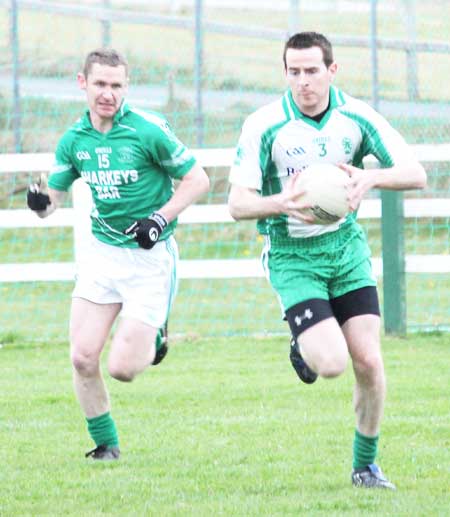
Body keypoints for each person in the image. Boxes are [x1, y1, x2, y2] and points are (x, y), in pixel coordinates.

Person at [228, 32, 426, 489]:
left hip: (345, 250)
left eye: (312, 71)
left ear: (331, 70)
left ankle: (366, 467)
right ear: (285, 74)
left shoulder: (356, 116)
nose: (303, 82)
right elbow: (238, 204)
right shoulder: (265, 125)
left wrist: (369, 178)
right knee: (332, 364)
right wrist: (283, 203)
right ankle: (305, 343)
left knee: (370, 363)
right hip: (293, 256)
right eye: (293, 72)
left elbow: (416, 173)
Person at [27, 48, 210, 460]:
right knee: (82, 356)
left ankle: (157, 331)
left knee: (123, 369)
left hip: (149, 260)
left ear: (126, 87)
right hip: (102, 257)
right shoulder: (75, 139)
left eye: (116, 85)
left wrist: (159, 220)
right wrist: (40, 201)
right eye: (100, 84)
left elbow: (198, 180)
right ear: (82, 84)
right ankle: (105, 444)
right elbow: (51, 201)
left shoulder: (148, 130)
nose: (107, 93)